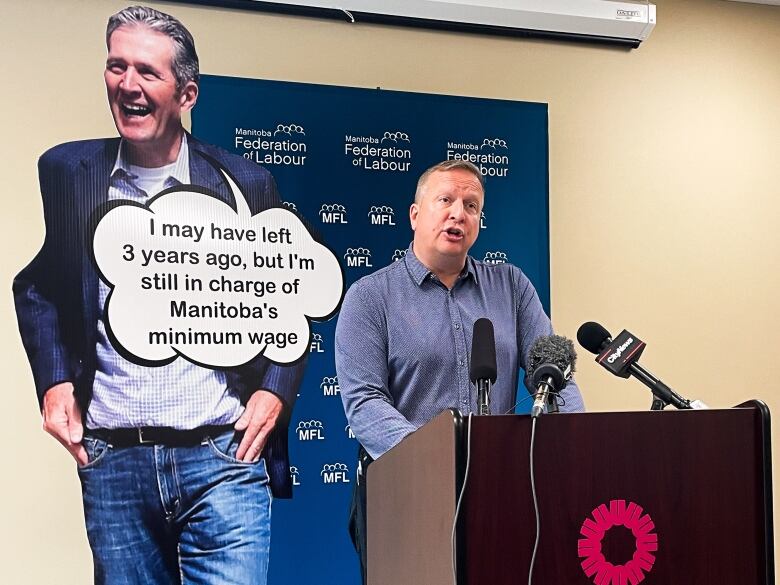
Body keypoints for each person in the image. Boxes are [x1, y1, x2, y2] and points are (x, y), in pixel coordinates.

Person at [13, 6, 303, 584]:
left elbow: (287, 301)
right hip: (114, 459)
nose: (127, 85)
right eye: (116, 67)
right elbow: (39, 285)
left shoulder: (243, 183)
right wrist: (53, 384)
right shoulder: (69, 172)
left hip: (222, 457)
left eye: (147, 72)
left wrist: (275, 393)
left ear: (186, 93)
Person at [334, 159, 585, 581]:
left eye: (471, 205)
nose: (458, 213)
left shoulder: (512, 286)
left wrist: (577, 447)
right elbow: (364, 402)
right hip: (405, 491)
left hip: (501, 490)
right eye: (446, 200)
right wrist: (436, 464)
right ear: (415, 215)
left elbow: (553, 373)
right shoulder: (370, 297)